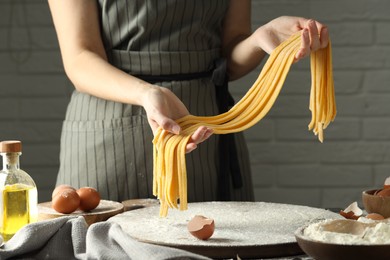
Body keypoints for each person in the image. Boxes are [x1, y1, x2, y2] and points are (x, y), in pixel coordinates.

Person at [47, 0, 329, 203]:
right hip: (107, 130)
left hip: (204, 129)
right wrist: (146, 93)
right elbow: (79, 57)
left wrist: (258, 39)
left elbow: (228, 57)